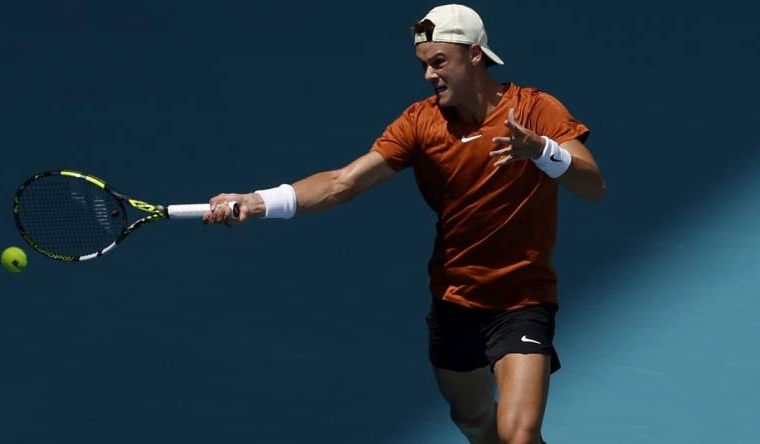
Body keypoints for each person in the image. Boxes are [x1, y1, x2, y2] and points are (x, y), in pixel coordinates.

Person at [203, 4, 605, 444]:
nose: (430, 75)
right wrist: (257, 201)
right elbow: (343, 183)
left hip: (523, 301)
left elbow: (593, 186)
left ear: (474, 55)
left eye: (439, 62)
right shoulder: (419, 123)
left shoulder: (535, 110)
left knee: (519, 436)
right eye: (424, 65)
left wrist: (544, 152)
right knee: (473, 421)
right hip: (455, 301)